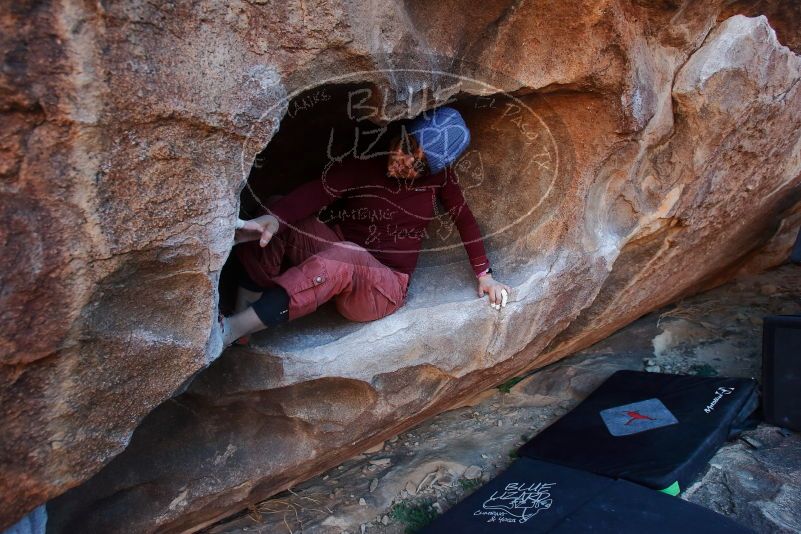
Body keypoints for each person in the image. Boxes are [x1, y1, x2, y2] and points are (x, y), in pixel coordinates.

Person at [221, 106, 512, 346]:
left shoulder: (441, 178)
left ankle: (232, 329)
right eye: (408, 146)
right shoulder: (365, 159)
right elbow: (316, 192)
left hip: (382, 288)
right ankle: (243, 321)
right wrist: (275, 217)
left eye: (420, 166)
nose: (405, 163)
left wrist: (485, 275)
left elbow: (463, 217)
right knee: (278, 214)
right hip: (340, 256)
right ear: (404, 132)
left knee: (346, 255)